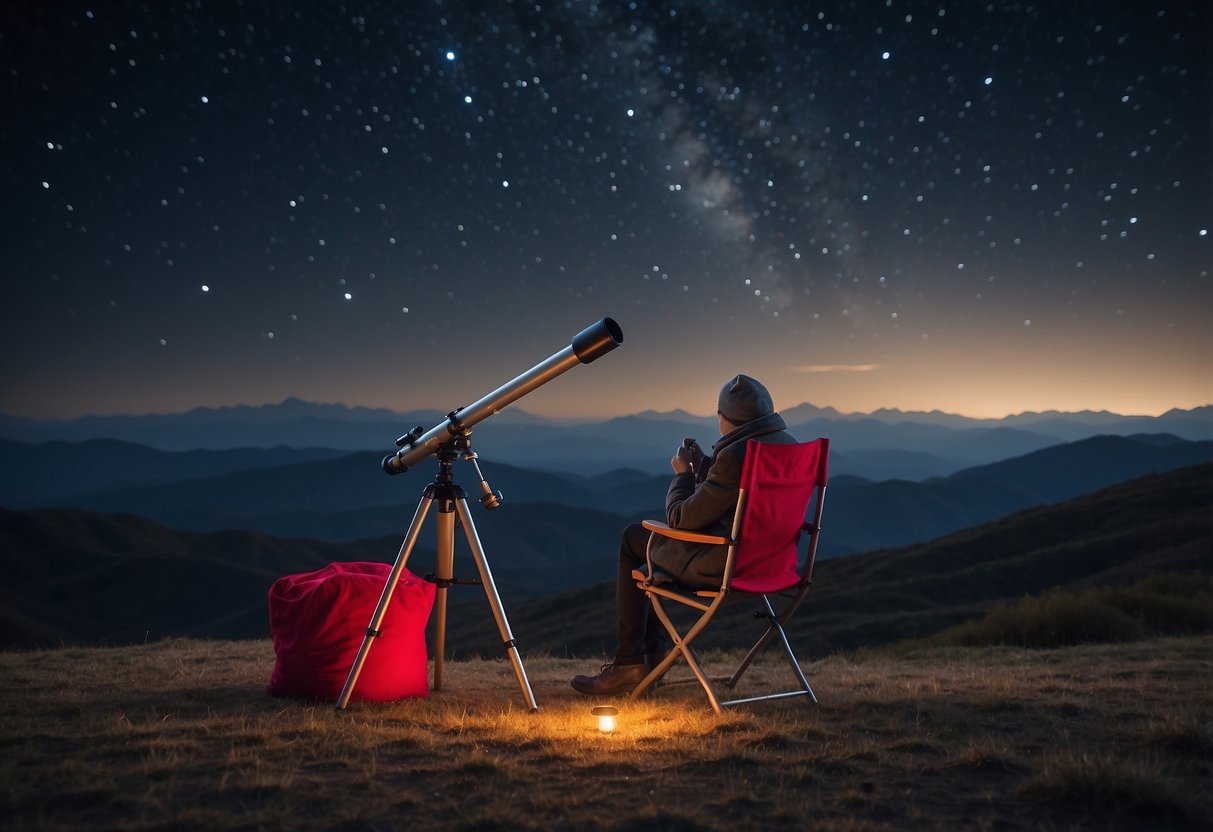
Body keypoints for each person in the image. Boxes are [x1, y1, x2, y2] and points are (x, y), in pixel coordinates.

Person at [571, 373, 797, 696]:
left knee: (633, 539)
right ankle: (654, 660)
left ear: (726, 418)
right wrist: (706, 466)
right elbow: (738, 496)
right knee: (651, 555)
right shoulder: (785, 447)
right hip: (773, 563)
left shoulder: (734, 457)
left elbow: (679, 519)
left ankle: (630, 663)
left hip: (725, 564)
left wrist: (683, 475)